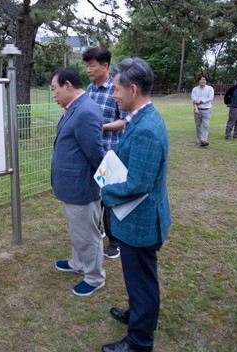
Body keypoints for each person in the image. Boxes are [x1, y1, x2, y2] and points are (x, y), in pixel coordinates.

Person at [100, 57, 171, 352]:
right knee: (139, 276)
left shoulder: (146, 129)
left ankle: (139, 341)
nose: (113, 95)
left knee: (142, 280)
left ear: (132, 89)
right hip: (135, 217)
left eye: (115, 89)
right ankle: (139, 316)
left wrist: (104, 192)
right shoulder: (140, 118)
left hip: (140, 221)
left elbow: (138, 184)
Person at [51, 67, 106, 297]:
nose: (53, 94)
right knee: (78, 230)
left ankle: (94, 277)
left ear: (68, 85)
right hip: (72, 186)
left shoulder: (85, 111)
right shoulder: (73, 108)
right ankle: (78, 263)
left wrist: (104, 185)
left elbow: (96, 154)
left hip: (82, 186)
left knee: (87, 234)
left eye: (54, 89)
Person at [83, 47, 127, 259]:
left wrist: (102, 126)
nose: (88, 69)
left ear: (105, 66)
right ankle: (97, 229)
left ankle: (115, 241)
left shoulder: (117, 89)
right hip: (91, 154)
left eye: (92, 65)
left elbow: (125, 121)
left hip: (110, 154)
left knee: (109, 198)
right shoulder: (88, 91)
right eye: (87, 65)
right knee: (93, 195)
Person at [190, 75, 214, 146]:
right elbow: (193, 100)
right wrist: (196, 108)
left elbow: (210, 98)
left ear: (206, 81)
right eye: (201, 79)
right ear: (198, 81)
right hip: (197, 110)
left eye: (204, 79)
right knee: (198, 125)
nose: (202, 81)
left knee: (206, 125)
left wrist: (200, 101)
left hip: (207, 110)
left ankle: (204, 140)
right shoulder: (195, 89)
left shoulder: (210, 88)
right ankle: (200, 139)